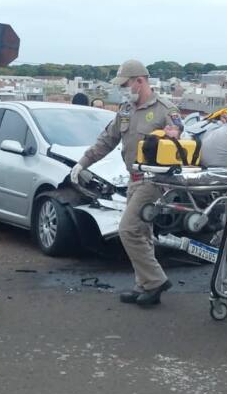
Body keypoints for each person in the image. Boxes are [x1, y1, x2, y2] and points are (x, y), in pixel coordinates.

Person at [71, 59, 184, 307]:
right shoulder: (125, 109)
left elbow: (178, 129)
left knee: (128, 229)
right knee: (142, 233)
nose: (123, 89)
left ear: (139, 81)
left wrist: (173, 133)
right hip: (132, 178)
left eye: (125, 84)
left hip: (155, 180)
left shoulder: (165, 108)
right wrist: (83, 163)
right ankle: (143, 285)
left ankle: (155, 280)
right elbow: (107, 140)